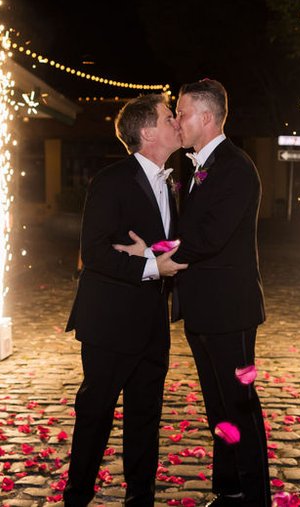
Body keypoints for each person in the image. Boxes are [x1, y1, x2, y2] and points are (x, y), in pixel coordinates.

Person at [62, 94, 184, 506]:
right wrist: (150, 265)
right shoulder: (111, 180)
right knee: (95, 413)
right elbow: (94, 252)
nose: (176, 122)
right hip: (110, 321)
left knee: (146, 417)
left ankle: (140, 498)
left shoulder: (170, 181)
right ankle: (77, 496)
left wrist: (152, 253)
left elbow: (165, 244)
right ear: (147, 133)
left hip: (152, 320)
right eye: (168, 117)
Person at [169, 79, 269, 506]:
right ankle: (229, 489)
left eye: (182, 113)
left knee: (240, 406)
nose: (177, 120)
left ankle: (255, 497)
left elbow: (209, 237)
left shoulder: (236, 167)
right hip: (202, 309)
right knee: (217, 407)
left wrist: (156, 256)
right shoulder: (196, 167)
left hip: (230, 311)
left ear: (207, 117)